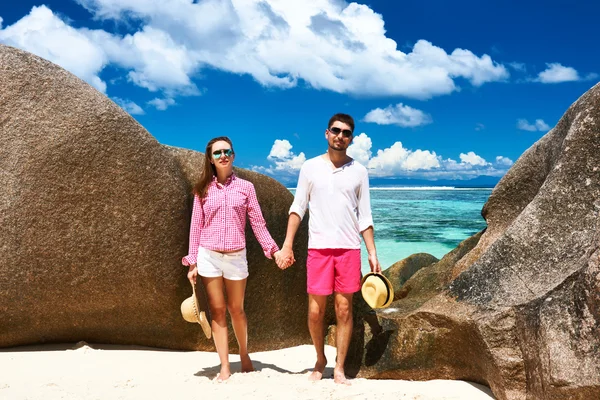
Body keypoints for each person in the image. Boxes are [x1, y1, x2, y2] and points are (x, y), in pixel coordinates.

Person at [277, 113, 381, 385]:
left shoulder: (359, 171)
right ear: (326, 133)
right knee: (315, 312)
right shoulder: (310, 168)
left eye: (346, 133)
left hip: (348, 249)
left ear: (351, 138)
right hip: (319, 250)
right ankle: (320, 359)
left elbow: (365, 216)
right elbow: (298, 207)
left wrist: (372, 252)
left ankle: (339, 367)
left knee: (344, 310)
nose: (340, 136)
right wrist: (287, 245)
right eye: (336, 130)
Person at [182, 136, 283, 382]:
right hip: (209, 256)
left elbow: (258, 223)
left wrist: (274, 250)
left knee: (236, 310)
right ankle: (225, 365)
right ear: (210, 159)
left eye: (227, 151)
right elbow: (196, 226)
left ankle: (245, 355)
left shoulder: (246, 188)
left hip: (237, 257)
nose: (223, 156)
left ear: (234, 155)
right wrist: (193, 261)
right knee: (217, 311)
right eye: (217, 153)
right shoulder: (202, 189)